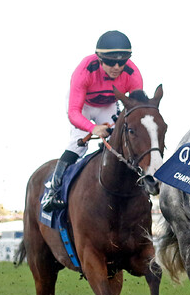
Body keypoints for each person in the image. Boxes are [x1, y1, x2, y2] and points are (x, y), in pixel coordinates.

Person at [41, 30, 144, 212]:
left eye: (123, 61)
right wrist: (92, 128)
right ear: (99, 59)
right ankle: (54, 191)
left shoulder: (133, 73)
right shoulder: (84, 71)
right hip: (84, 106)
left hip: (108, 104)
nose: (117, 67)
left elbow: (137, 109)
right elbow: (74, 113)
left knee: (120, 139)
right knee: (78, 144)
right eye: (111, 62)